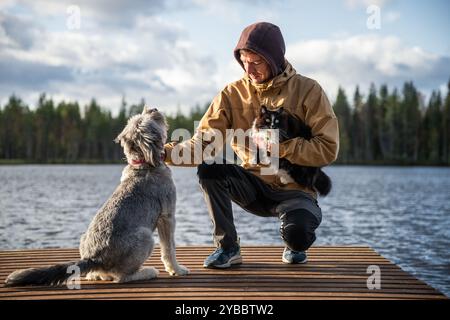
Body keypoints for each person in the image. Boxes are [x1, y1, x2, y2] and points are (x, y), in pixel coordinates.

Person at [164, 22, 339, 268]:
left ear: (274, 59)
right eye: (244, 61)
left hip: (296, 190)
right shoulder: (231, 94)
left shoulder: (308, 90)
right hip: (253, 186)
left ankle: (294, 243)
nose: (249, 69)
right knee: (209, 169)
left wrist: (280, 147)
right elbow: (203, 143)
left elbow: (327, 148)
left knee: (298, 237)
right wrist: (165, 152)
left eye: (256, 62)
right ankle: (228, 248)